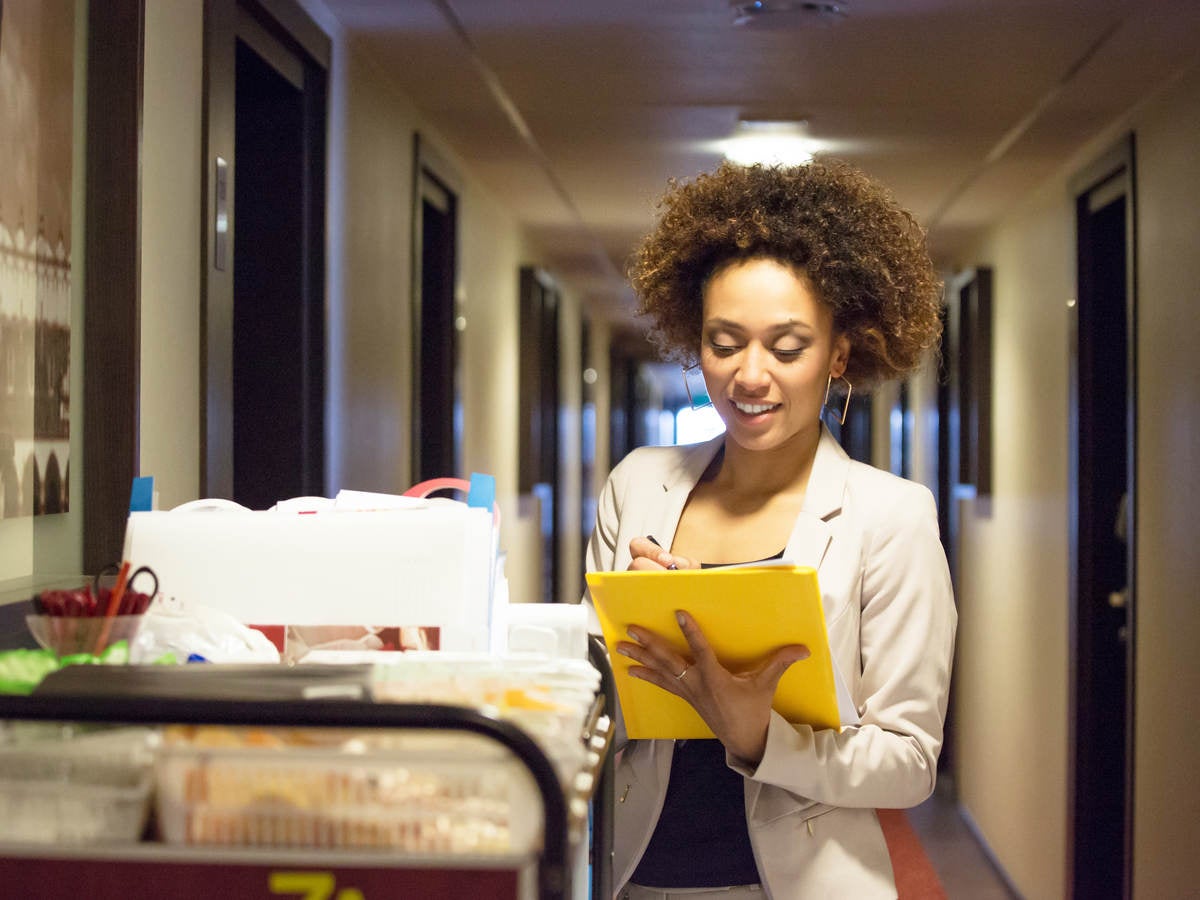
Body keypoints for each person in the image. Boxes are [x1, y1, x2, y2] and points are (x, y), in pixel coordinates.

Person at [584, 160, 957, 899]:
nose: (751, 376)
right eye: (725, 343)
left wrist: (758, 736)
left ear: (838, 355)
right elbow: (588, 706)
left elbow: (909, 761)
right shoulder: (637, 485)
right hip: (634, 875)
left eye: (787, 347)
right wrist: (625, 649)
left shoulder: (890, 515)